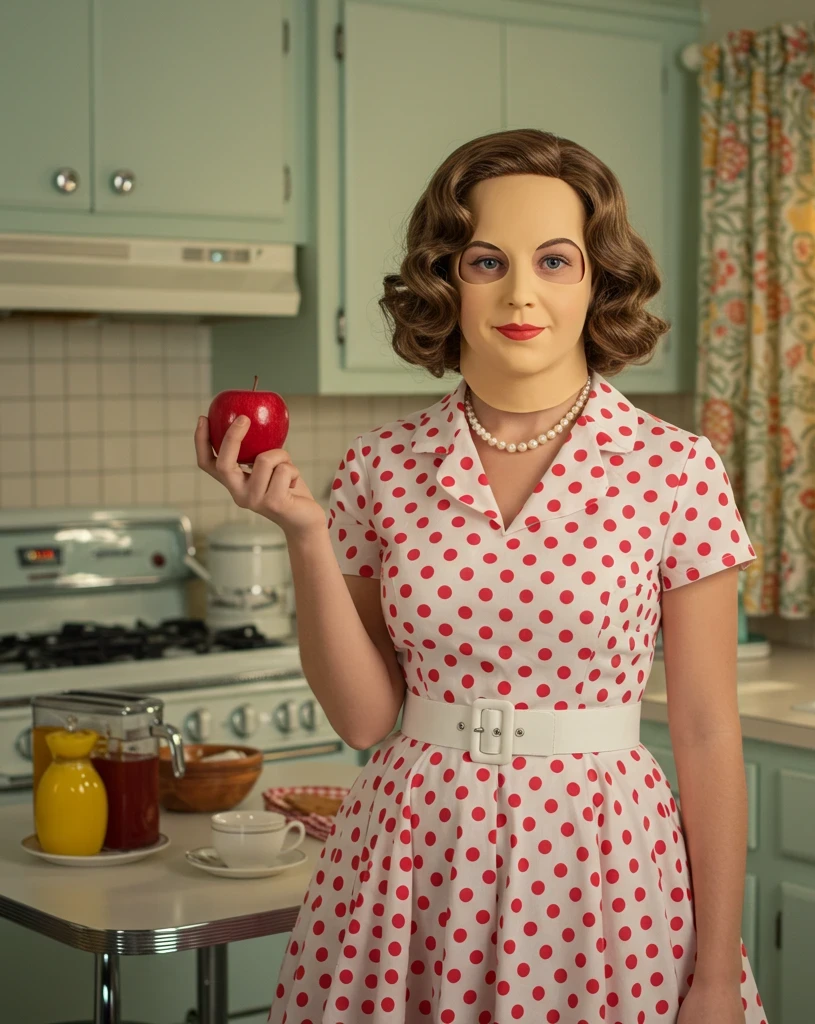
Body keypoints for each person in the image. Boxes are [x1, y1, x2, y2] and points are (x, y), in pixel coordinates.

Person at [196, 128, 765, 1024]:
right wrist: (304, 536)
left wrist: (720, 976)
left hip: (601, 869)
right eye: (487, 261)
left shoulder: (674, 469)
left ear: (598, 281)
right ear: (444, 279)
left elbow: (703, 730)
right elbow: (364, 716)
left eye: (555, 260)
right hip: (408, 858)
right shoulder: (379, 468)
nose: (521, 293)